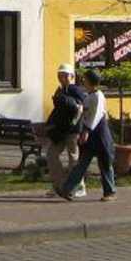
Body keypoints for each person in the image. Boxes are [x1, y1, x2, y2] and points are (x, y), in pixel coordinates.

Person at [56, 68, 116, 201]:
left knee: (105, 163)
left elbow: (96, 115)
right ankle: (67, 189)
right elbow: (83, 113)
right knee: (82, 163)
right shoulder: (88, 96)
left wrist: (87, 130)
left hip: (99, 134)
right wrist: (77, 125)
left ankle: (110, 191)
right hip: (89, 134)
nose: (83, 81)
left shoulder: (98, 96)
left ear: (90, 80)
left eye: (85, 79)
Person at [44, 63, 87, 198]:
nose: (62, 78)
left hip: (73, 130)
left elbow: (82, 108)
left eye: (65, 75)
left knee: (73, 157)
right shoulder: (60, 90)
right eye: (60, 75)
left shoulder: (76, 90)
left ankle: (79, 186)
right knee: (51, 155)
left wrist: (78, 125)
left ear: (72, 76)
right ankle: (60, 184)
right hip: (60, 130)